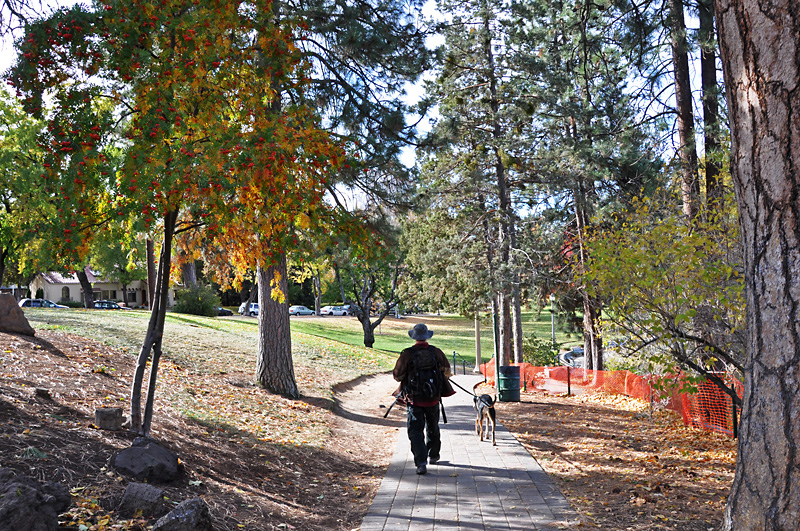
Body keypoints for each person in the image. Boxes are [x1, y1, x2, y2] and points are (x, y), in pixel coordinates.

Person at [393, 323, 455, 475]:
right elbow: (447, 372)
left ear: (414, 337)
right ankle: (434, 455)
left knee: (415, 431)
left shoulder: (407, 354)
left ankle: (421, 463)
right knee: (433, 426)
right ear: (427, 336)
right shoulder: (436, 352)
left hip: (414, 399)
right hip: (433, 398)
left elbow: (397, 376)